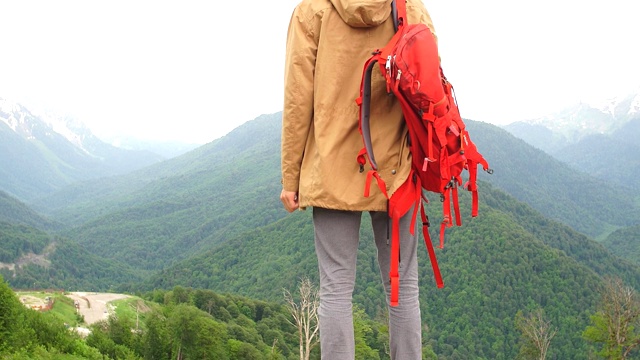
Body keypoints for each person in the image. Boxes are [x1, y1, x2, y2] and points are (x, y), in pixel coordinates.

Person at [280, 0, 437, 358]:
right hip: (397, 167)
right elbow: (430, 80)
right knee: (403, 286)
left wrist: (291, 176)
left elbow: (297, 98)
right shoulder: (408, 6)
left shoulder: (312, 10)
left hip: (333, 165)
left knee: (335, 288)